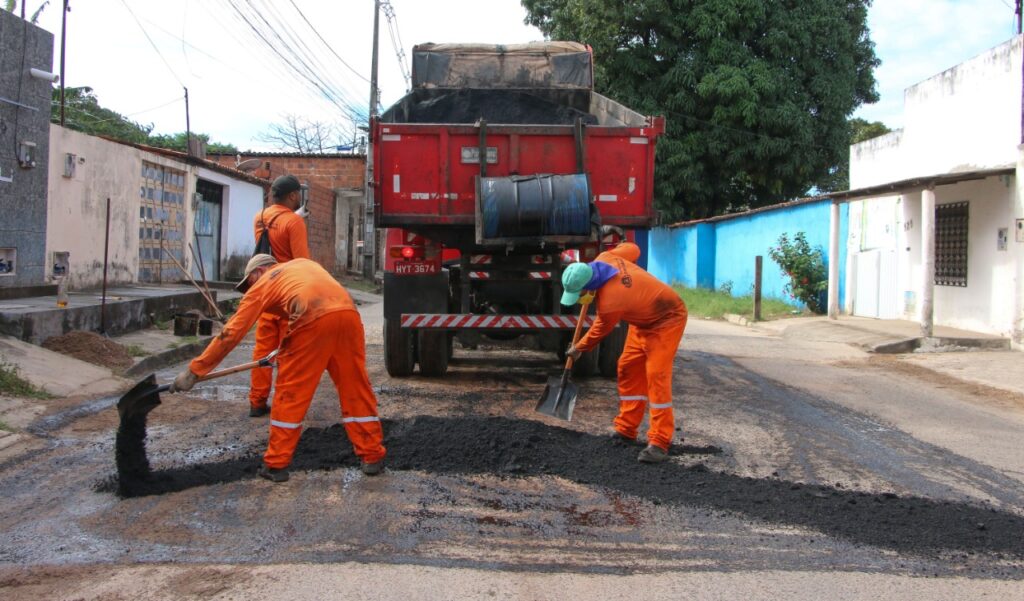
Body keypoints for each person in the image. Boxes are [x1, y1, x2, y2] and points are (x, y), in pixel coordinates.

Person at [170, 254, 386, 481]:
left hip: (311, 316)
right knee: (355, 388)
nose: (249, 289)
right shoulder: (304, 264)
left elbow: (231, 333)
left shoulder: (264, 283)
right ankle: (372, 456)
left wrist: (195, 370)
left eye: (248, 283)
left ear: (258, 272)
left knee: (290, 392)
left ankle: (276, 464)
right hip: (348, 314)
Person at [562, 242, 688, 463]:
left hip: (668, 317)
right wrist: (620, 248)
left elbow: (600, 329)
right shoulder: (605, 256)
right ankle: (627, 429)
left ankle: (659, 442)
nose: (580, 297)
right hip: (642, 322)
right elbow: (633, 249)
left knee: (656, 374)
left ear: (589, 283)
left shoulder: (612, 301)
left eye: (579, 292)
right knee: (627, 367)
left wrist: (579, 348)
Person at [248, 174, 310, 418]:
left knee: (263, 350)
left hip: (265, 290)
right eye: (298, 196)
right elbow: (302, 263)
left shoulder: (259, 218)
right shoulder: (294, 224)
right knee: (289, 353)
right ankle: (285, 404)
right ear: (293, 195)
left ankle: (257, 402)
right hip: (288, 295)